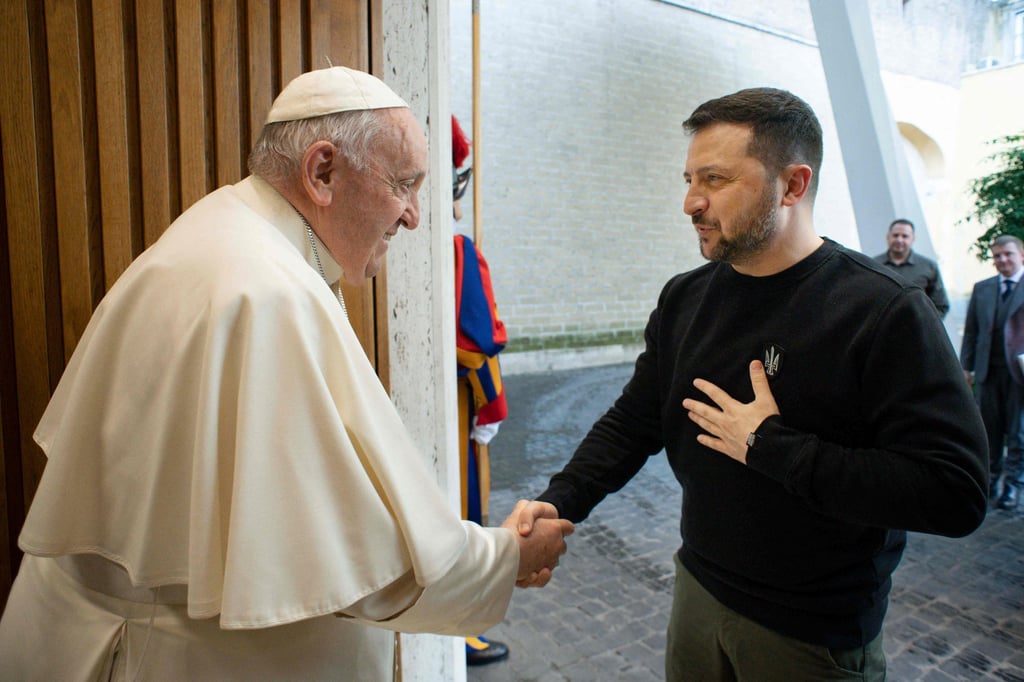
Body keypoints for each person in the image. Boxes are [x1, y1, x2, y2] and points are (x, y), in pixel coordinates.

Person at [0, 66, 573, 681]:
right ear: (322, 172)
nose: (411, 217)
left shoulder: (224, 228)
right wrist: (505, 557)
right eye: (404, 185)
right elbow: (357, 560)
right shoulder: (268, 292)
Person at [518, 87, 988, 681]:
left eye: (715, 179)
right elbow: (636, 420)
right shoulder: (686, 297)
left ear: (792, 185)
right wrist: (559, 502)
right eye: (689, 179)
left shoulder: (884, 311)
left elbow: (956, 492)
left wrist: (771, 446)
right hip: (698, 589)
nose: (690, 202)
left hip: (811, 634)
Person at [451, 114, 512, 665]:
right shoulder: (457, 249)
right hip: (455, 404)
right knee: (467, 508)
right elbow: (478, 340)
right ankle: (465, 630)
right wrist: (492, 403)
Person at [960, 234, 1024, 511]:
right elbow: (972, 332)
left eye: (1008, 254)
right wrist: (966, 367)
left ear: (1021, 255)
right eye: (997, 256)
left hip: (1019, 374)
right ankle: (989, 481)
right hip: (988, 371)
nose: (1002, 260)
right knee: (989, 431)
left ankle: (1013, 486)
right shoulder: (983, 288)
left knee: (1018, 432)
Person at [873, 218, 950, 318]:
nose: (899, 240)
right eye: (895, 235)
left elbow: (940, 305)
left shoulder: (929, 267)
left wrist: (925, 327)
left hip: (916, 330)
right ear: (888, 237)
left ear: (913, 238)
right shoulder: (873, 265)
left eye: (905, 236)